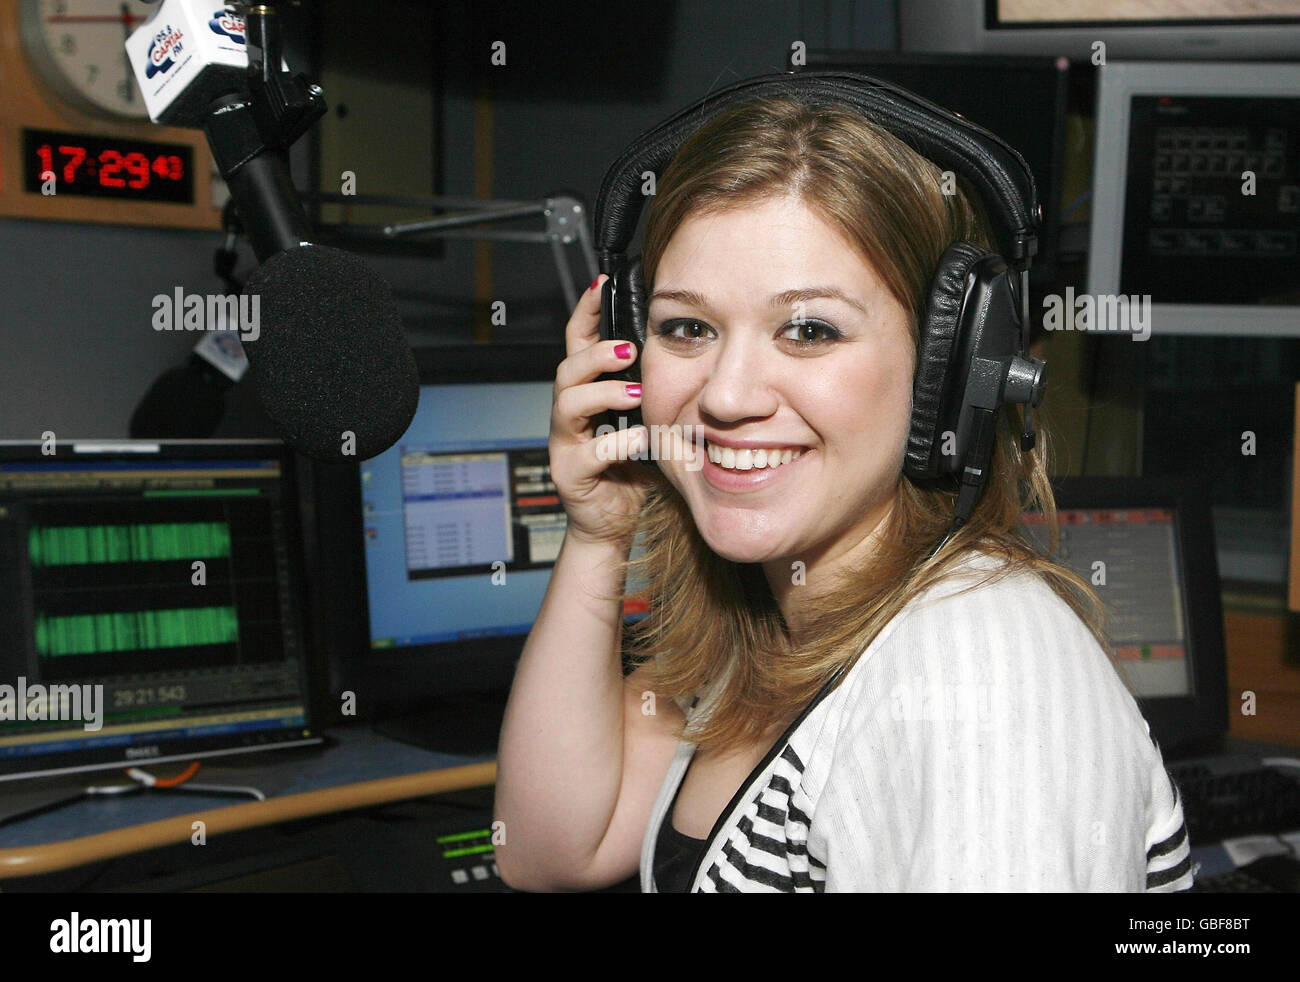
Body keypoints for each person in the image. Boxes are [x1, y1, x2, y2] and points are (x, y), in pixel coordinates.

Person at [493, 92, 1193, 893]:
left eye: (810, 330)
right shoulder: (759, 624)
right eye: (687, 327)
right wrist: (597, 536)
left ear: (953, 364)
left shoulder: (976, 682)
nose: (726, 394)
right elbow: (546, 852)